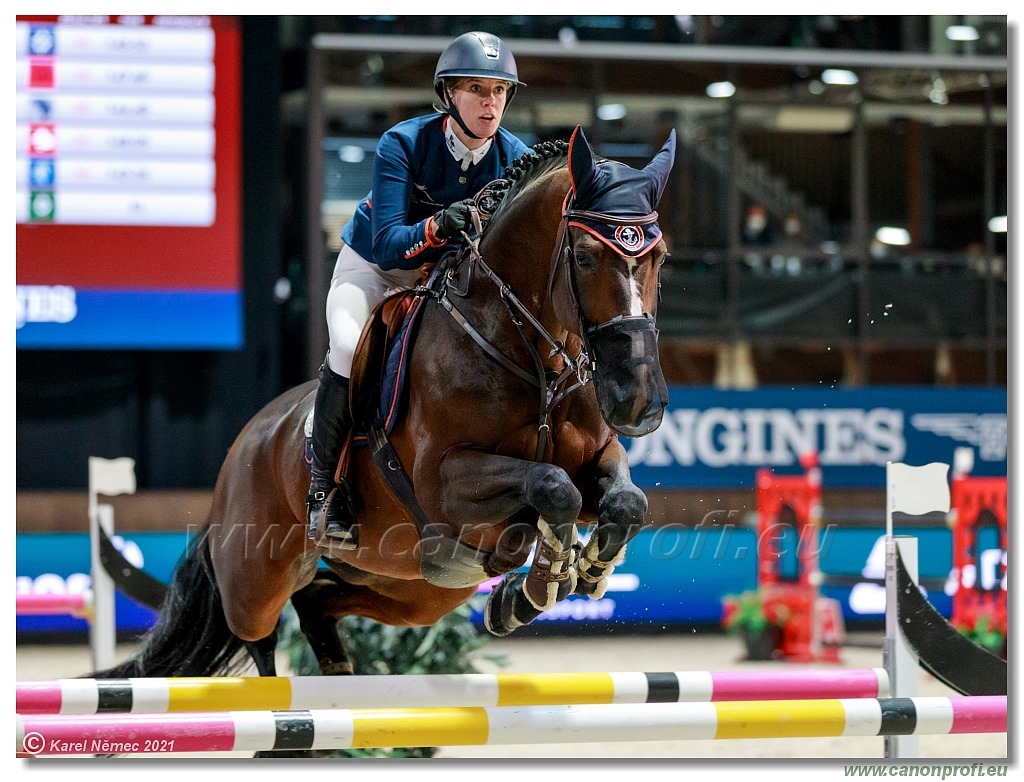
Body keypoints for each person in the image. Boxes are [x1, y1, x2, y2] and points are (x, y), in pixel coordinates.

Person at [307, 32, 532, 544]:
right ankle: (326, 489)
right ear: (449, 94)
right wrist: (438, 226)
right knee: (345, 345)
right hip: (374, 269)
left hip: (443, 281)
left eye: (499, 91)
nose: (489, 102)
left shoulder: (515, 158)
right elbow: (387, 244)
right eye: (477, 89)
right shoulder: (404, 143)